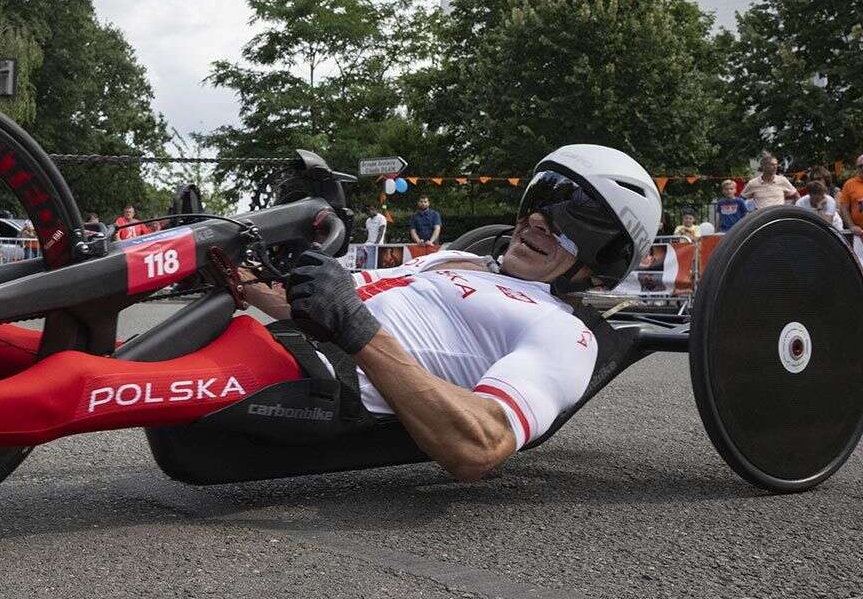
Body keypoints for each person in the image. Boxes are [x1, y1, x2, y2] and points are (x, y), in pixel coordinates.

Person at [243, 145, 661, 480]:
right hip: (276, 343)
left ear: (602, 261)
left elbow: (480, 443)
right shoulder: (459, 258)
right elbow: (321, 298)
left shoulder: (565, 332)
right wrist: (234, 267)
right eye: (541, 200)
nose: (536, 219)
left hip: (317, 375)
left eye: (569, 221)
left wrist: (355, 326)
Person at [837, 154, 863, 261]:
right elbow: (844, 208)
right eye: (860, 166)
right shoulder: (849, 184)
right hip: (859, 235)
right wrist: (851, 226)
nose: (862, 168)